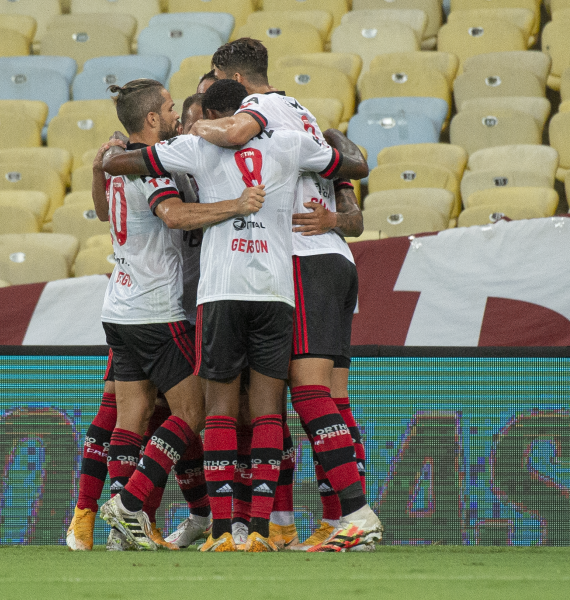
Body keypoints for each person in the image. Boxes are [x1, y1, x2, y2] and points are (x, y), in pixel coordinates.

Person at [102, 79, 373, 552]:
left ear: (214, 115)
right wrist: (332, 138)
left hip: (220, 291)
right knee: (269, 409)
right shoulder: (291, 143)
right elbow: (350, 166)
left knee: (219, 411)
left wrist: (116, 152)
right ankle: (266, 530)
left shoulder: (195, 148)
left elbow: (120, 165)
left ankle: (223, 530)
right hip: (276, 291)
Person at [189, 38, 379, 551]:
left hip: (301, 255)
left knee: (305, 393)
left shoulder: (259, 108)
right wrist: (339, 219)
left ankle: (356, 514)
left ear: (234, 78)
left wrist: (196, 127)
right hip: (334, 258)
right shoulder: (300, 111)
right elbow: (350, 166)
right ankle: (334, 520)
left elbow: (232, 134)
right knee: (331, 397)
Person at [90, 79, 266, 551]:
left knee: (132, 417)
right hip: (155, 310)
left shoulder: (116, 162)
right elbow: (172, 215)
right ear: (151, 118)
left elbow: (102, 213)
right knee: (193, 410)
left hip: (119, 308)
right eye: (169, 109)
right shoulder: (148, 165)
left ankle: (120, 534)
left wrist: (94, 170)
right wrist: (236, 205)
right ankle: (130, 504)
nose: (174, 115)